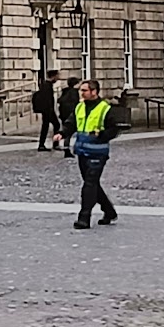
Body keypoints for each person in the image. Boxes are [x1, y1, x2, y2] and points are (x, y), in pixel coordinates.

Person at [64, 79, 121, 229]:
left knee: (89, 184)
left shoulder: (105, 108)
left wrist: (101, 135)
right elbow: (71, 123)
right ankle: (109, 211)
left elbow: (114, 129)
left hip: (98, 152)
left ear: (94, 92)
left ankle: (84, 217)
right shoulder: (80, 107)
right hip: (82, 151)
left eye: (84, 90)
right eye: (80, 90)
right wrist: (61, 133)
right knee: (92, 184)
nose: (81, 93)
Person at [32, 70, 62, 151]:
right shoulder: (47, 86)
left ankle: (42, 144)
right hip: (48, 110)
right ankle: (54, 144)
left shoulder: (46, 85)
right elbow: (47, 100)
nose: (58, 78)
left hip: (47, 110)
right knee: (56, 125)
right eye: (57, 76)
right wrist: (50, 110)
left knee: (46, 126)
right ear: (53, 76)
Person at [56, 77, 82, 158]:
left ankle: (66, 149)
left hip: (64, 114)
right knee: (74, 133)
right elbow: (76, 105)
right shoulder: (74, 92)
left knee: (67, 133)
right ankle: (70, 150)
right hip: (71, 115)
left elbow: (59, 101)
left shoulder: (65, 91)